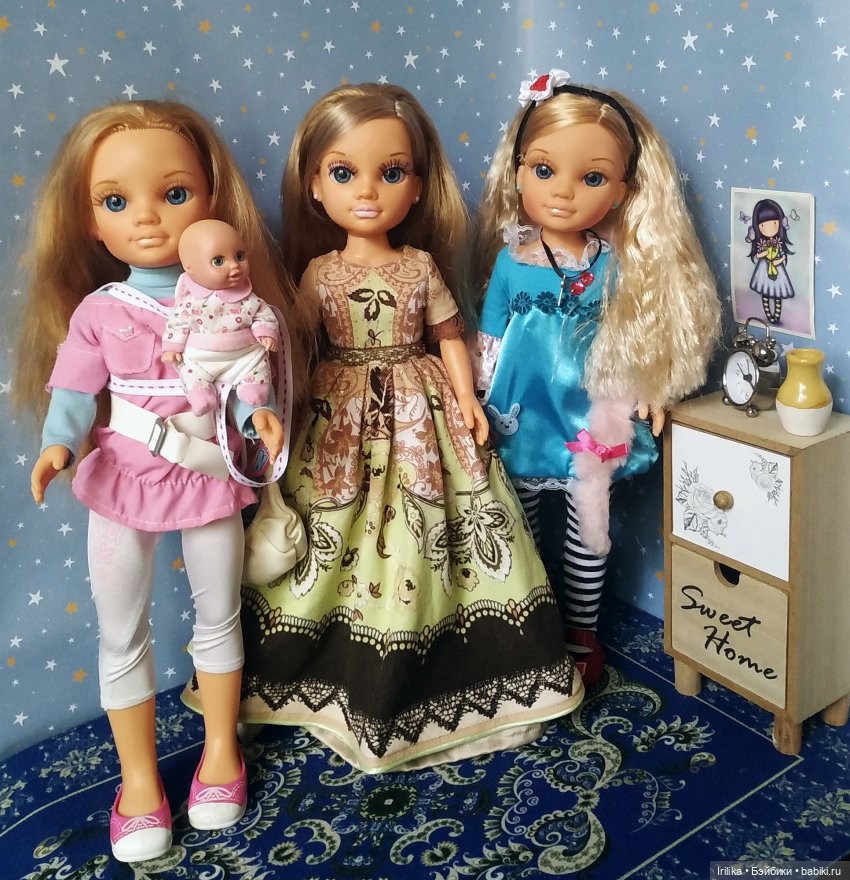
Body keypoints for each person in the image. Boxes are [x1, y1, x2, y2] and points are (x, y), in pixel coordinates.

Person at [199, 82, 583, 774]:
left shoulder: (419, 267)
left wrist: (466, 400)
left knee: (436, 527)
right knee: (327, 531)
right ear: (316, 187)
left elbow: (449, 336)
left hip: (421, 411)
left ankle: (457, 683)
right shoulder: (319, 273)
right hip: (336, 411)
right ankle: (291, 680)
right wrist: (271, 403)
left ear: (418, 186)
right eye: (345, 173)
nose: (369, 192)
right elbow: (294, 348)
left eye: (392, 171)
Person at [13, 100, 311, 863]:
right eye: (116, 201)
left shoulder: (228, 302)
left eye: (174, 193)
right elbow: (74, 391)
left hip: (206, 474)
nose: (147, 217)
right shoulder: (99, 311)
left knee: (220, 615)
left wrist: (261, 418)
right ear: (89, 221)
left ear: (210, 199)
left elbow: (246, 379)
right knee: (121, 630)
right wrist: (57, 445)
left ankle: (221, 751)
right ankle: (139, 780)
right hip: (122, 476)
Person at [469, 70, 721, 684]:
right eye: (544, 169)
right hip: (521, 412)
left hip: (590, 411)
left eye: (593, 178)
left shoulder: (617, 263)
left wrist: (651, 388)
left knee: (591, 526)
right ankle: (532, 626)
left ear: (622, 190)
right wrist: (473, 398)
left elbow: (638, 333)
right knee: (520, 522)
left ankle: (581, 630)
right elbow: (490, 340)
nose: (563, 192)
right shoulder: (510, 259)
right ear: (519, 173)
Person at [162, 219, 280, 416]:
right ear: (190, 268)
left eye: (240, 256)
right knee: (189, 371)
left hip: (244, 355)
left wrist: (266, 332)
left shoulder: (248, 298)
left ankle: (254, 388)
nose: (234, 266)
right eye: (218, 261)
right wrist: (173, 347)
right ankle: (200, 394)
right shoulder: (191, 302)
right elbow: (177, 322)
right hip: (202, 357)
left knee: (259, 364)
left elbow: (263, 314)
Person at [746, 197, 795, 326]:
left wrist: (778, 261)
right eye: (763, 225)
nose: (769, 228)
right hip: (764, 268)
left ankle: (776, 316)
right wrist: (766, 253)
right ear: (758, 227)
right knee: (765, 291)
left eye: (774, 223)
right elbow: (758, 255)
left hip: (777, 268)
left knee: (777, 292)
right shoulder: (762, 243)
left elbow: (783, 255)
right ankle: (769, 315)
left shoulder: (778, 243)